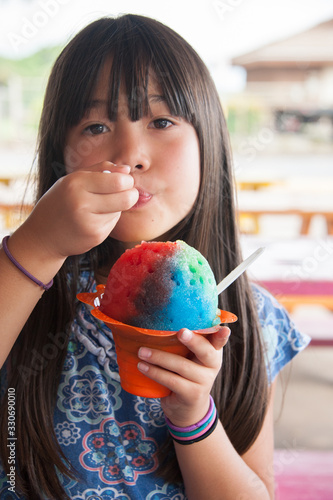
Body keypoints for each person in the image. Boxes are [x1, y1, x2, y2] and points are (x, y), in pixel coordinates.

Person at [0, 14, 310, 500]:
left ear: (209, 141)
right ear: (59, 152)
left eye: (162, 121)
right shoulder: (24, 290)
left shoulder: (252, 322)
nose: (129, 154)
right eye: (96, 125)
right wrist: (38, 245)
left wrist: (194, 419)